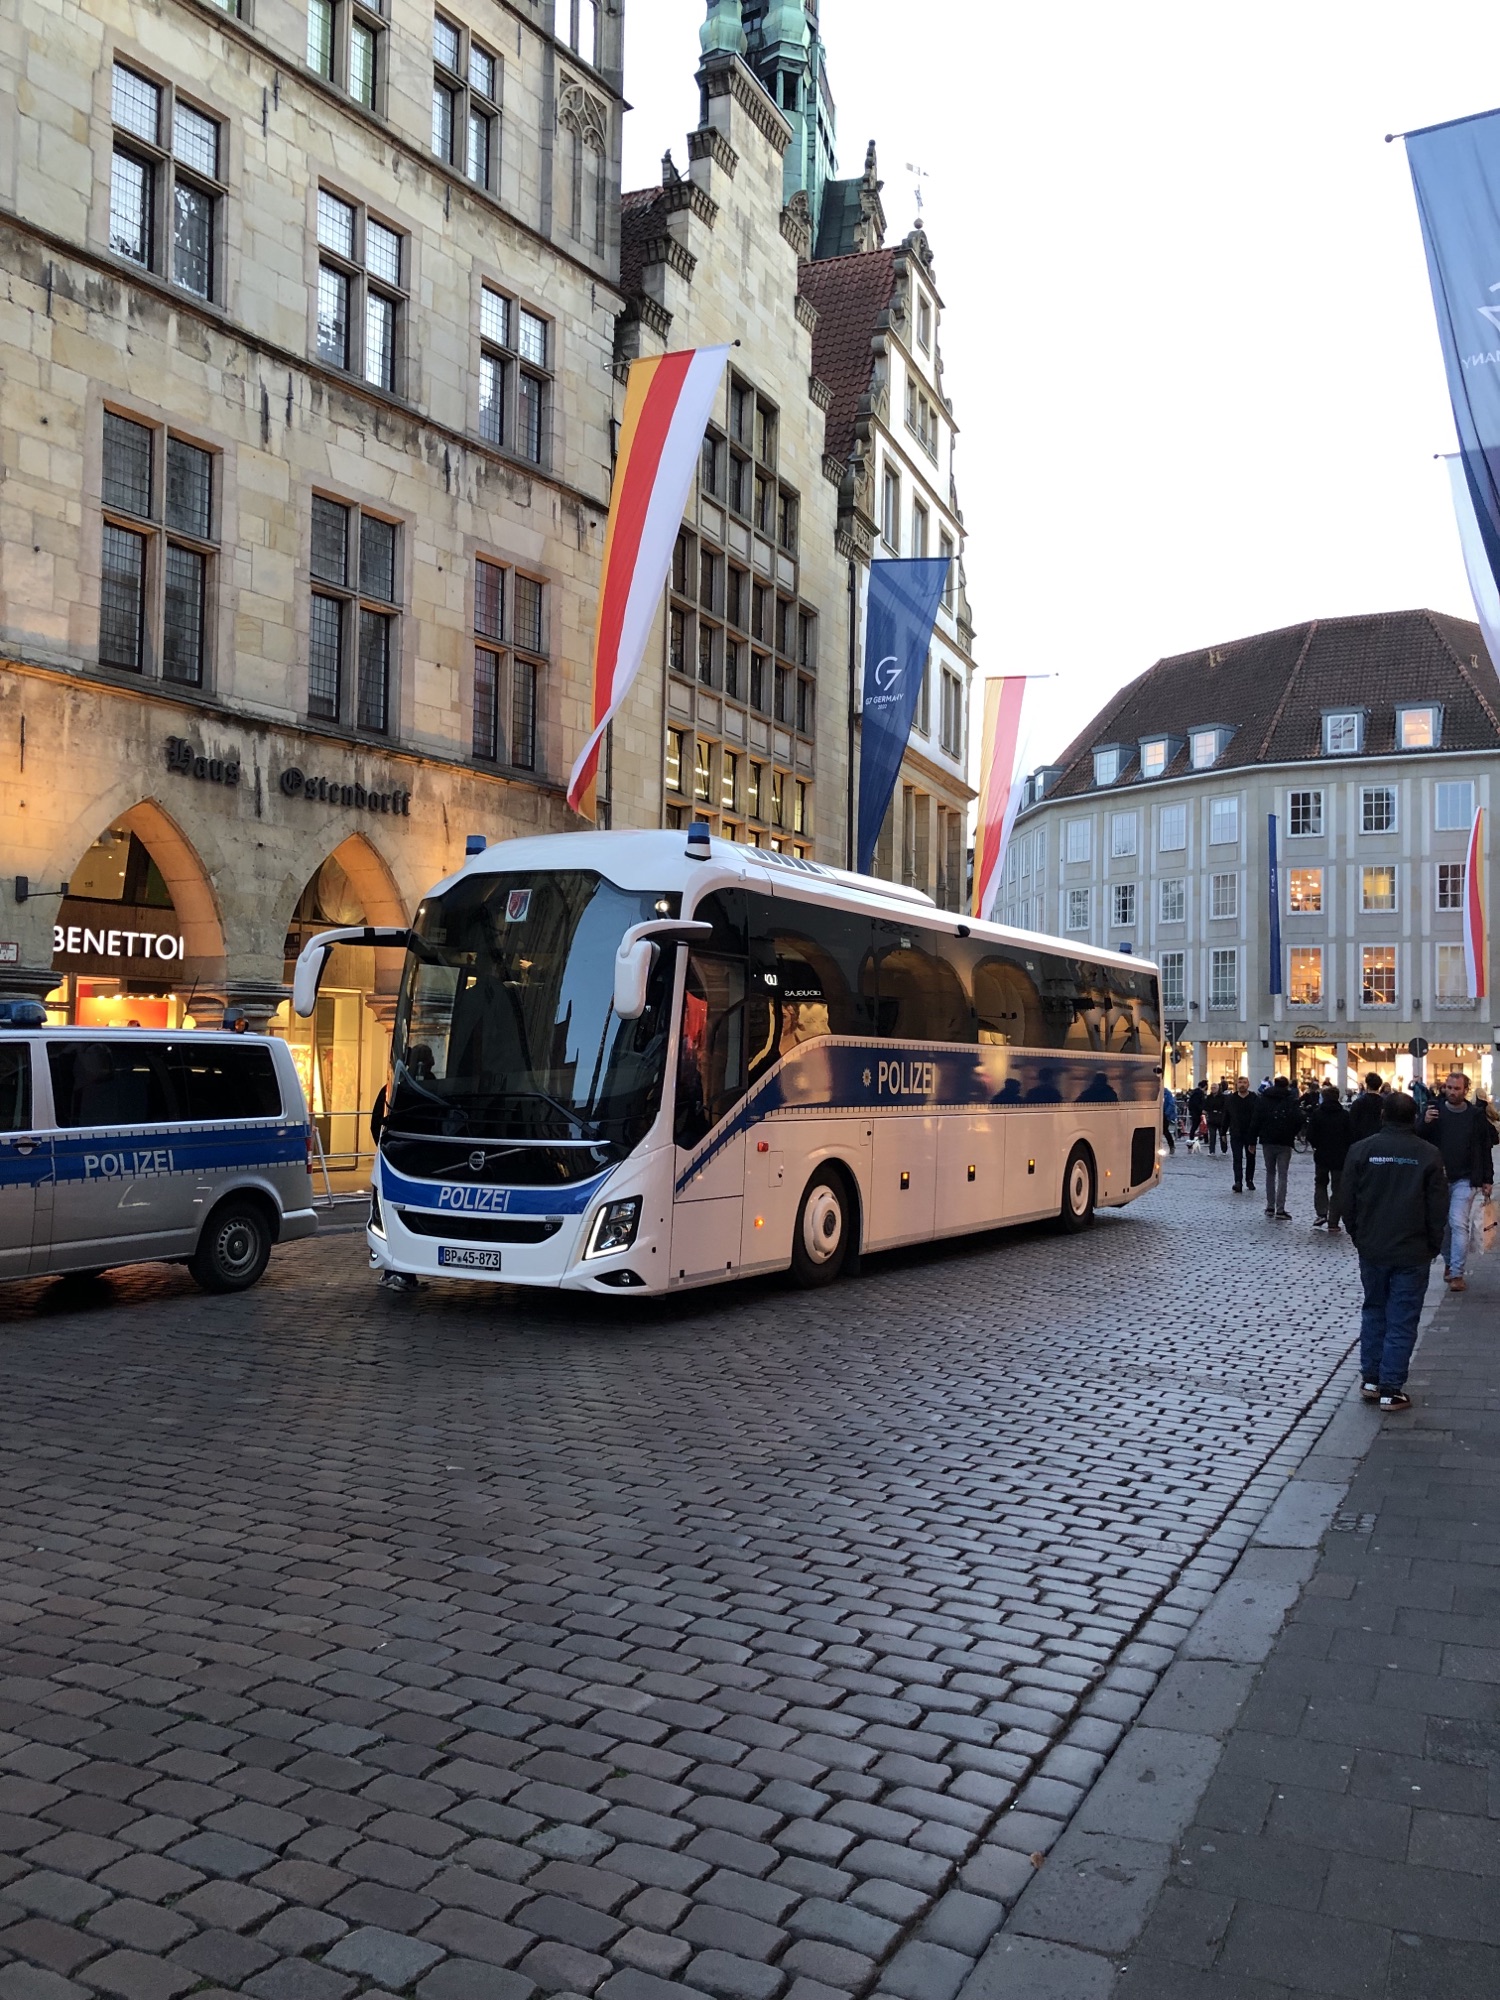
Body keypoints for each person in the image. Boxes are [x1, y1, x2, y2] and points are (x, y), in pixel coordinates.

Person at [1339, 1091, 1448, 1411]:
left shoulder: (1361, 1150)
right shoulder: (1428, 1154)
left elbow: (1346, 1199)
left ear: (1383, 1115)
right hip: (1412, 1250)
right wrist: (1432, 1243)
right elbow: (1437, 1207)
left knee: (1374, 1310)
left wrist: (1358, 1235)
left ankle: (1371, 1379)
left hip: (1373, 1246)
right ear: (1413, 1117)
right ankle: (1391, 1387)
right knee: (1402, 1318)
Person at [1421, 1069, 1494, 1292]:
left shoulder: (1475, 1116)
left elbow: (1485, 1147)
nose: (1452, 1092)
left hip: (1466, 1179)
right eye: (1449, 1088)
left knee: (1458, 1223)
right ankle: (1450, 1261)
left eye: (1456, 1089)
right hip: (1438, 1178)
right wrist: (1424, 1122)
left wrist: (1487, 1178)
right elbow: (1417, 1138)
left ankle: (1457, 1273)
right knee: (1442, 1226)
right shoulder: (1434, 1110)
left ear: (1465, 1090)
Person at [1305, 1081, 1353, 1233]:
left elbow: (1311, 1135)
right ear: (1338, 1097)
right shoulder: (1345, 1115)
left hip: (1322, 1155)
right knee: (1337, 1188)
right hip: (1340, 1156)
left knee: (1320, 1184)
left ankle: (1321, 1213)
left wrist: (1316, 1145)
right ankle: (1333, 1221)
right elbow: (1351, 1136)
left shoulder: (1317, 1114)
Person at [1256, 1075, 1303, 1220]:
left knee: (1270, 1173)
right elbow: (1298, 1119)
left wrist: (1254, 1137)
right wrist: (1293, 1133)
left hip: (1268, 1140)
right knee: (1283, 1175)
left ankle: (1270, 1206)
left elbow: (1256, 1118)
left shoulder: (1264, 1098)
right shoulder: (1291, 1099)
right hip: (1284, 1141)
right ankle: (1280, 1209)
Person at [1224, 1075, 1259, 1193]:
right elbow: (1226, 1116)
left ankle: (1249, 1180)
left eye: (1244, 1082)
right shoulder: (1231, 1099)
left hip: (1250, 1133)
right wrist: (1223, 1132)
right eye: (1240, 1082)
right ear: (1236, 1085)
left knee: (1250, 1158)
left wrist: (1257, 1133)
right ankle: (1238, 1181)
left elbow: (1258, 1117)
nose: (1242, 1084)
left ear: (1248, 1085)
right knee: (1237, 1158)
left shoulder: (1254, 1098)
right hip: (1236, 1133)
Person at [1348, 1071, 1386, 1144]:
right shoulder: (1385, 1103)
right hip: (1380, 1140)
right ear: (1379, 1086)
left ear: (1367, 1085)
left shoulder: (1358, 1103)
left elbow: (1352, 1123)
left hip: (1361, 1139)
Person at [1206, 1083, 1230, 1155]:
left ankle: (1224, 1150)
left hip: (1221, 1118)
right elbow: (1206, 1106)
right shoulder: (1209, 1097)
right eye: (1212, 1087)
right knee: (1212, 1135)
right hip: (1211, 1118)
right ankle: (1212, 1151)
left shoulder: (1223, 1097)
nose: (1213, 1089)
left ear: (1218, 1088)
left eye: (1214, 1087)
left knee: (1222, 1135)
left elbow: (1225, 1107)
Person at [1186, 1082, 1207, 1149]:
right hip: (1197, 1112)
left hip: (1195, 1112)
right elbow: (1198, 1103)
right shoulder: (1199, 1093)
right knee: (1197, 1126)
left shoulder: (1195, 1092)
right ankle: (1192, 1139)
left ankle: (1197, 1138)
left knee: (1197, 1126)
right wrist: (1201, 1109)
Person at [1161, 1083, 1177, 1155]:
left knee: (1165, 1130)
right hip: (1159, 1113)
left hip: (1164, 1114)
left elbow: (1171, 1104)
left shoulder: (1166, 1093)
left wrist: (1166, 1113)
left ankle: (1171, 1146)